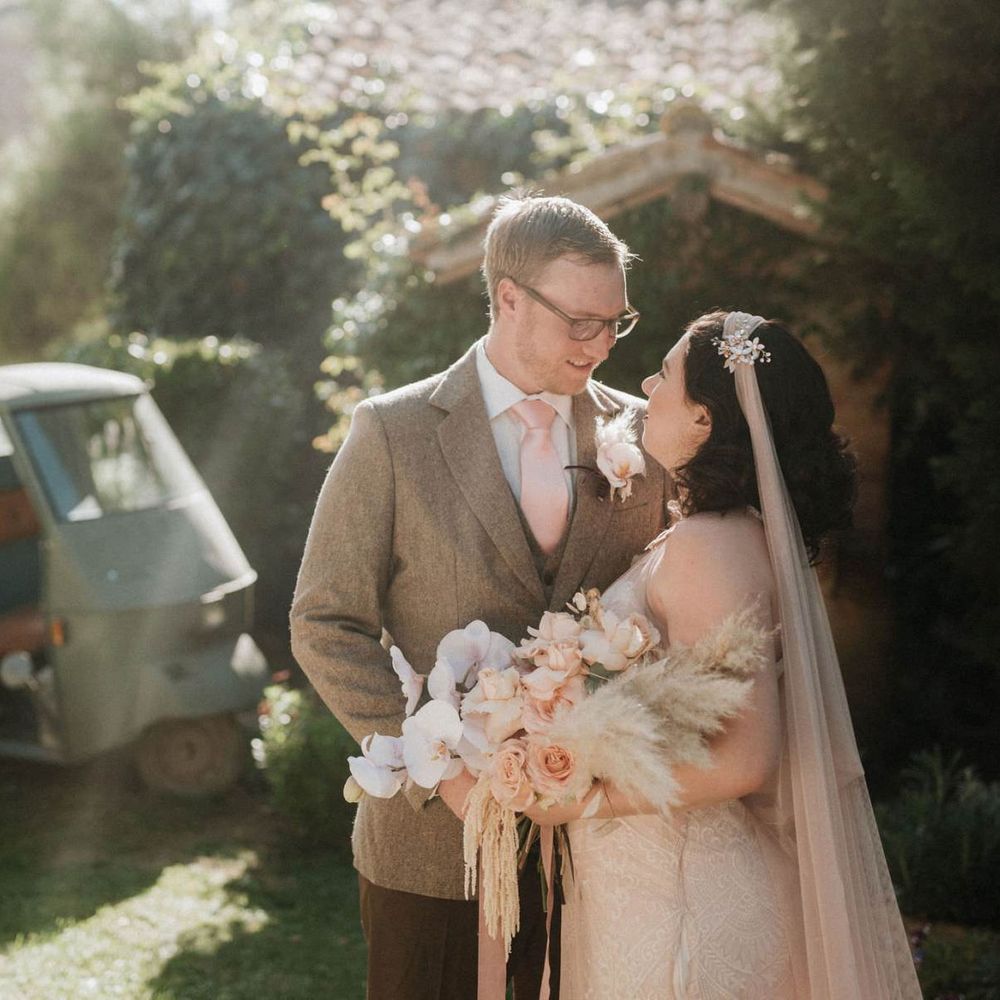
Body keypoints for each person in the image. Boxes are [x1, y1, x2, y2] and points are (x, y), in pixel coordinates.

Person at [290, 193, 668, 1000]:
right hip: (433, 855)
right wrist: (445, 780)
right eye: (581, 323)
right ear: (508, 299)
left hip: (600, 855)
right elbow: (325, 621)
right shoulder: (391, 432)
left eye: (617, 323)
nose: (601, 343)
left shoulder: (643, 439)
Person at [525, 311, 922, 999]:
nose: (646, 384)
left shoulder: (710, 546)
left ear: (705, 420)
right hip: (652, 888)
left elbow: (744, 757)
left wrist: (580, 802)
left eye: (666, 374)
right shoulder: (724, 534)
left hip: (686, 906)